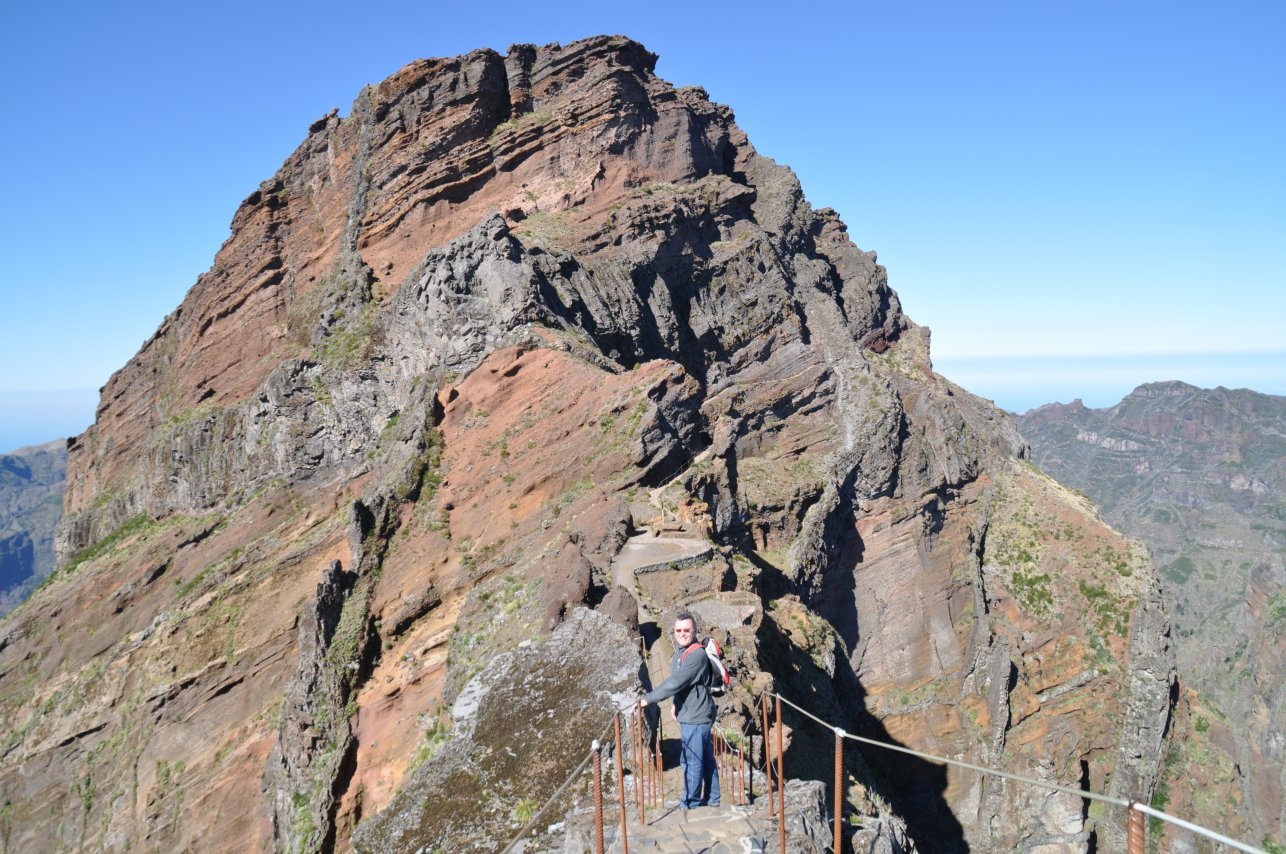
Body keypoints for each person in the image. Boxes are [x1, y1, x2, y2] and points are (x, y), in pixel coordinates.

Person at [639, 612, 720, 809]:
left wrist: (647, 700)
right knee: (706, 757)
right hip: (693, 712)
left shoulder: (696, 655)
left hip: (697, 716)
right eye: (678, 630)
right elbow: (684, 684)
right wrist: (677, 704)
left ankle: (690, 803)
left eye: (686, 630)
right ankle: (713, 799)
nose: (682, 634)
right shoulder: (680, 652)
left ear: (694, 631)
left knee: (691, 761)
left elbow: (676, 682)